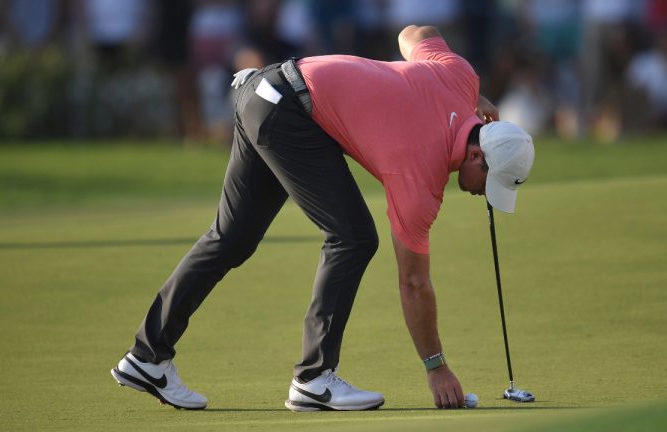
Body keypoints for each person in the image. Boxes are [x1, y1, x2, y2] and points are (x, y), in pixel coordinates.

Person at [111, 24, 535, 411]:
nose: (483, 194)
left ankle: (147, 357)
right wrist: (436, 366)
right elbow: (413, 282)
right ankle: (314, 378)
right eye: (488, 182)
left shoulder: (460, 76)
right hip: (289, 110)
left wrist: (468, 95)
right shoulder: (420, 173)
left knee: (232, 238)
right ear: (477, 155)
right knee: (353, 238)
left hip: (264, 91)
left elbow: (415, 32)